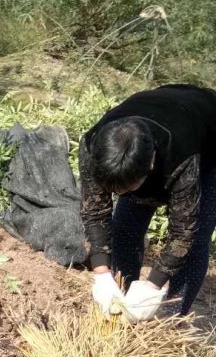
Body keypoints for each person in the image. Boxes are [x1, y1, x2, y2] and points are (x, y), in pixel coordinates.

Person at [79, 83, 216, 320]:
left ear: (151, 164)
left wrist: (153, 286)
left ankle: (171, 318)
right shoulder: (95, 147)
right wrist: (101, 273)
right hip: (163, 110)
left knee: (197, 238)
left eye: (128, 186)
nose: (121, 194)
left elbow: (183, 233)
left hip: (209, 140)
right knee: (126, 229)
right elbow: (95, 213)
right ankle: (121, 305)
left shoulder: (181, 156)